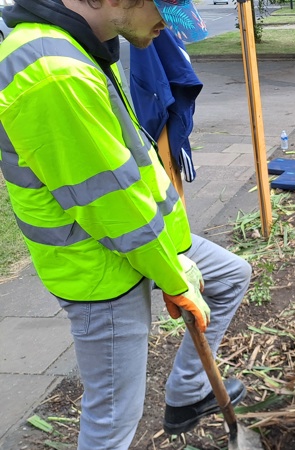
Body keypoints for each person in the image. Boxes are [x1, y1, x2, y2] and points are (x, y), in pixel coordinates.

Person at [0, 0, 251, 448]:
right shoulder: (55, 72)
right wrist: (174, 280)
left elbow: (127, 173)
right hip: (100, 267)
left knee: (231, 274)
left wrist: (174, 259)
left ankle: (189, 393)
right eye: (163, 8)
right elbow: (108, 205)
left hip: (139, 243)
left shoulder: (82, 45)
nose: (167, 26)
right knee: (112, 421)